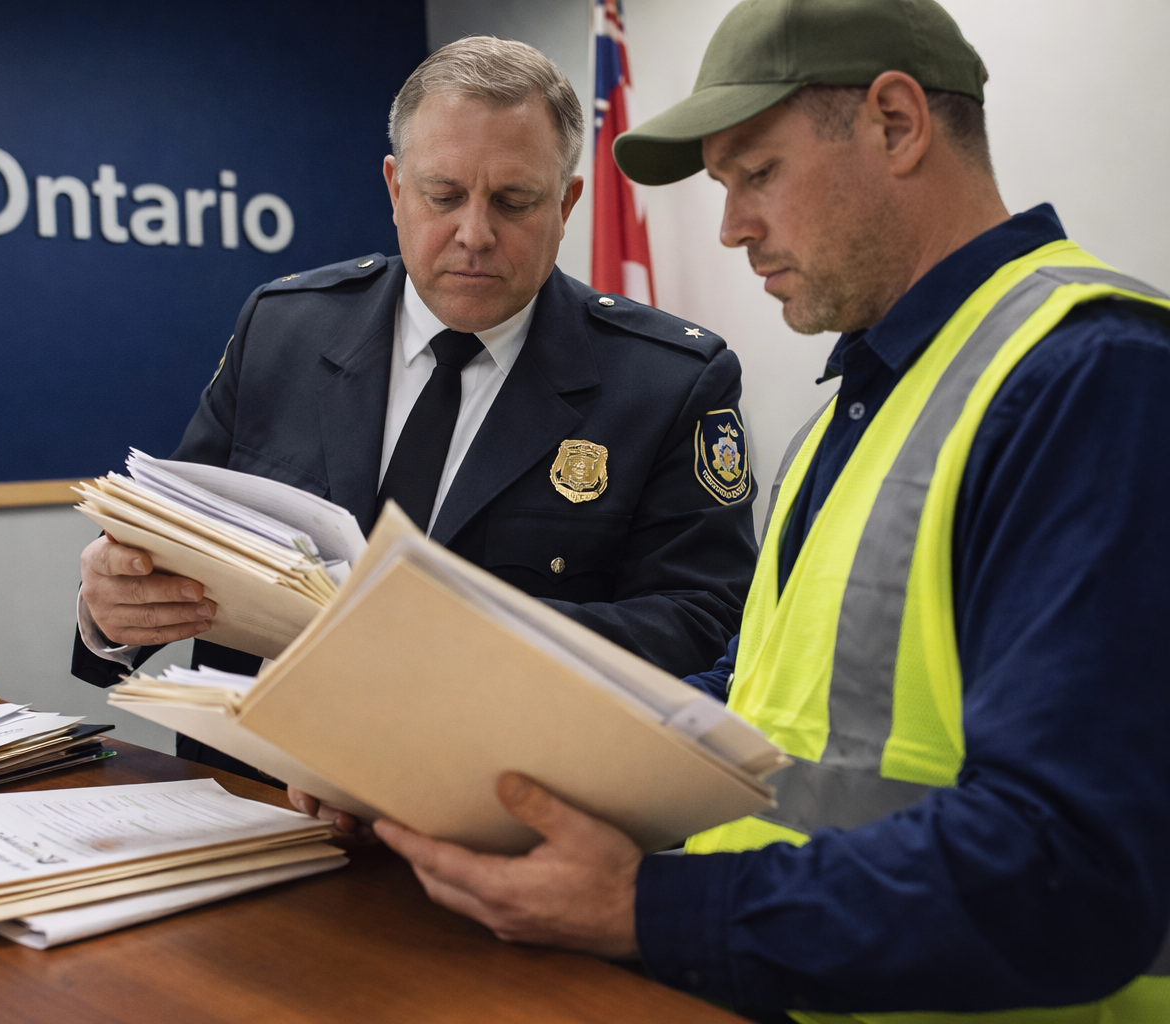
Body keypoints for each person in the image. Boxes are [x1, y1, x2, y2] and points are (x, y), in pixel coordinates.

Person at [369, 2, 1170, 1020]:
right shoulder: (866, 400)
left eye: (758, 174)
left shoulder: (1096, 379)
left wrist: (651, 909)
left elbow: (1070, 868)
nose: (732, 226)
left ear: (896, 123)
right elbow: (760, 698)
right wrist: (491, 766)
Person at [72, 37, 759, 779]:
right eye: (443, 195)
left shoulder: (665, 380)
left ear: (566, 203)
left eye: (514, 201)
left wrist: (468, 640)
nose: (474, 234)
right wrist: (110, 612)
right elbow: (178, 543)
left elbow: (704, 622)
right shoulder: (283, 328)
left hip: (498, 811)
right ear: (396, 189)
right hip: (254, 796)